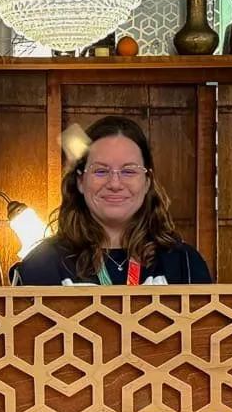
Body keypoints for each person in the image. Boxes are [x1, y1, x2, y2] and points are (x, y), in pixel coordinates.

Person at [11, 115, 212, 286]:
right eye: (100, 171)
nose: (115, 184)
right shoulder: (42, 263)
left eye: (129, 171)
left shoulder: (185, 263)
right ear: (80, 181)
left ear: (147, 182)